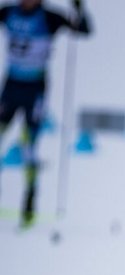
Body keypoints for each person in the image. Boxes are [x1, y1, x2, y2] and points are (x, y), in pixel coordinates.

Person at [0, 0, 90, 226]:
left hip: (35, 90)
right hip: (10, 87)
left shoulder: (50, 17)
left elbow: (83, 29)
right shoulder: (9, 12)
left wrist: (79, 9)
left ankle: (29, 204)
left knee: (29, 146)